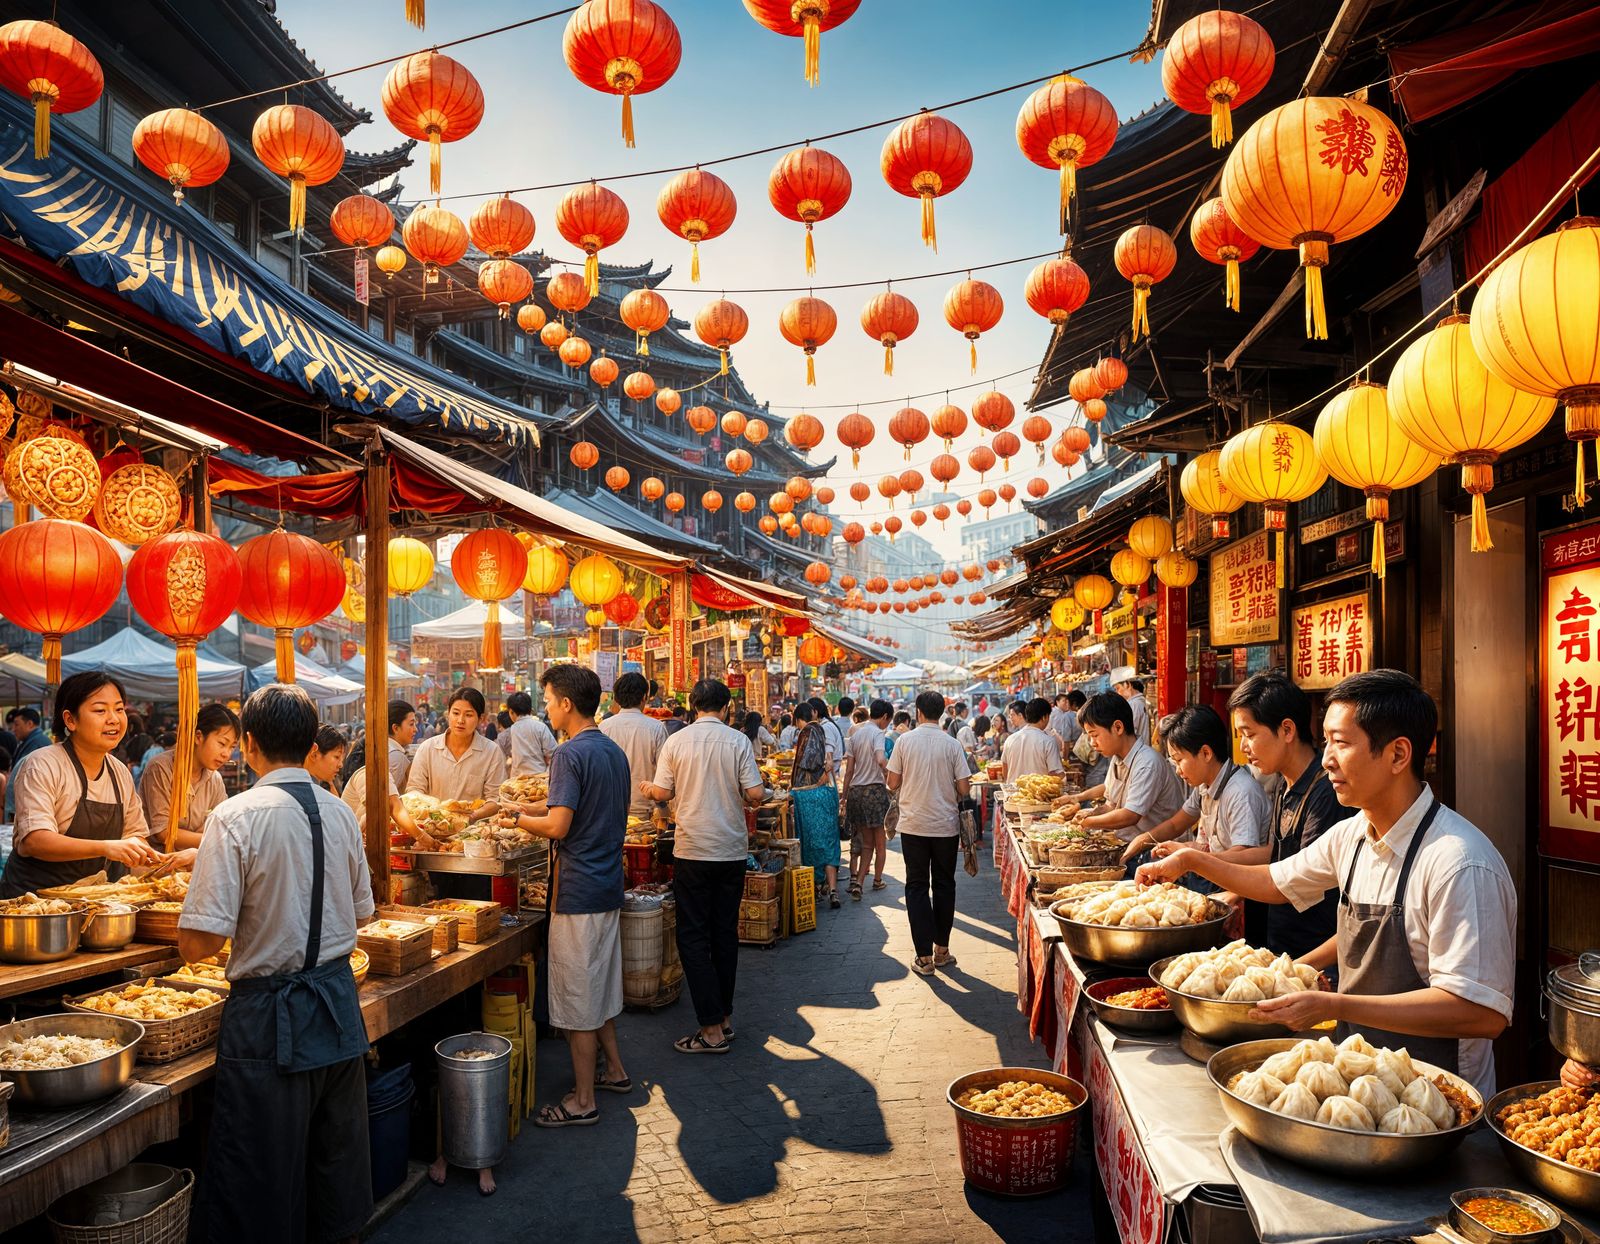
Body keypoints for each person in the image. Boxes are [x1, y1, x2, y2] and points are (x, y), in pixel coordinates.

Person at [1138, 670, 1515, 1095]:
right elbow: (1275, 882)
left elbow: (1480, 1013)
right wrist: (1191, 860)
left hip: (1439, 1097)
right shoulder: (1352, 834)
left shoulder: (1458, 863)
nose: (1327, 759)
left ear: (1398, 754)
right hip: (1362, 1081)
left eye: (1341, 743)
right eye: (1326, 741)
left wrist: (1333, 1005)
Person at [178, 683, 378, 1229]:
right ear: (312, 745)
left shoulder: (234, 816)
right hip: (337, 1003)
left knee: (260, 1177)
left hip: (267, 1016)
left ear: (248, 744)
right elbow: (363, 914)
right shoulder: (340, 813)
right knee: (335, 1166)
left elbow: (199, 943)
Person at [497, 665, 631, 1130]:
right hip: (607, 885)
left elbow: (558, 825)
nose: (547, 708)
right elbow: (567, 804)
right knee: (599, 987)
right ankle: (615, 1070)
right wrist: (521, 806)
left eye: (550, 700)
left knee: (577, 1000)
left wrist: (516, 821)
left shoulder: (568, 754)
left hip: (578, 892)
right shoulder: (611, 751)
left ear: (567, 704)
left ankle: (583, 1100)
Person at [642, 679, 766, 1054]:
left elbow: (663, 793)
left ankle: (710, 1030)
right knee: (724, 934)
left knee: (693, 937)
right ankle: (723, 1018)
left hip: (693, 850)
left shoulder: (676, 741)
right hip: (730, 851)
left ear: (694, 706)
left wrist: (649, 789)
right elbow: (756, 794)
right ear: (725, 708)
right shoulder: (738, 741)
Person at [2, 673, 165, 895]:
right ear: (70, 720)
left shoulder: (119, 772)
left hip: (98, 899)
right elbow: (35, 840)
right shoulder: (42, 764)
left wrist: (152, 857)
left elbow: (135, 835)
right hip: (36, 900)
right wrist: (107, 847)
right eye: (100, 710)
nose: (114, 719)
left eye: (119, 709)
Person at [1227, 671, 1343, 959]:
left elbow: (1293, 883)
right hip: (1283, 946)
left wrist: (1196, 861)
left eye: (1249, 734)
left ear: (1287, 730)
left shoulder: (1326, 792)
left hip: (1316, 956)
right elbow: (1276, 856)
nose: (1243, 747)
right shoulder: (1283, 781)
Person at [1119, 705, 1270, 891]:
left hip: (1230, 884)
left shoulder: (1241, 792)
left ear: (1206, 753)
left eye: (1179, 760)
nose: (1177, 770)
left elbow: (1244, 855)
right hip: (1209, 873)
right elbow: (1175, 825)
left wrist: (1189, 856)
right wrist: (1141, 841)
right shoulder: (1204, 785)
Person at [887, 692, 972, 977]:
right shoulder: (952, 744)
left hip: (913, 826)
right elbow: (964, 788)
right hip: (945, 826)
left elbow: (892, 782)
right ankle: (942, 951)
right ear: (941, 713)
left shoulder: (904, 741)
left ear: (918, 712)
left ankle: (924, 958)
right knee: (945, 885)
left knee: (917, 887)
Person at [1071, 692, 1186, 848]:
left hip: (1156, 851)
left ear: (1118, 727)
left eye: (1095, 735)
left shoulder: (1147, 763)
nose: (1092, 743)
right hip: (1127, 844)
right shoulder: (1117, 758)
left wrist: (1089, 822)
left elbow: (1130, 815)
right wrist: (1087, 814)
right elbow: (1111, 805)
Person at [139, 703, 240, 858]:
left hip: (195, 863)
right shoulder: (161, 768)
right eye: (222, 743)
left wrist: (214, 836)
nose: (226, 754)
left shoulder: (215, 779)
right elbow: (164, 832)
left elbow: (221, 825)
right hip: (157, 862)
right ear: (198, 737)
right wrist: (213, 838)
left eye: (232, 747)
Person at [405, 688, 508, 811]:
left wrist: (470, 817)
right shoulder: (427, 748)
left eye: (468, 715)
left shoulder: (492, 752)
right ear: (448, 713)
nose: (460, 720)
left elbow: (494, 799)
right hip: (432, 821)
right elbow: (414, 790)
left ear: (480, 719)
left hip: (475, 822)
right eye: (456, 713)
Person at [788, 703, 842, 909]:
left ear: (797, 719)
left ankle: (816, 887)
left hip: (811, 795)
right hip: (826, 793)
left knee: (810, 842)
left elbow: (809, 761)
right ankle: (833, 889)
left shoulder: (808, 731)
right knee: (829, 841)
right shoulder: (822, 729)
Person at [598, 672, 668, 823]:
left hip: (610, 807)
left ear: (616, 699)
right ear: (644, 697)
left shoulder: (604, 727)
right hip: (646, 808)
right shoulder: (656, 728)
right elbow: (665, 771)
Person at [842, 699, 892, 897]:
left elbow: (849, 770)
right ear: (885, 717)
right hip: (874, 793)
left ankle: (859, 883)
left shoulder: (855, 735)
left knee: (866, 844)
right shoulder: (877, 733)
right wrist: (891, 774)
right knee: (880, 844)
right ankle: (877, 880)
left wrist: (844, 796)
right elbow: (880, 759)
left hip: (856, 793)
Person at [1003, 698, 1065, 781]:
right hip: (1039, 789)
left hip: (1013, 788)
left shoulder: (1010, 739)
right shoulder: (1048, 741)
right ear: (1045, 717)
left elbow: (1005, 769)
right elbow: (1055, 775)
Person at [504, 690, 558, 778]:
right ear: (530, 709)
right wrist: (548, 773)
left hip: (517, 780)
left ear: (511, 712)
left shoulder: (511, 730)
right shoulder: (540, 727)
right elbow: (555, 754)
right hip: (540, 778)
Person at [5, 706, 47, 817]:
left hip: (31, 808)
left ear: (29, 724)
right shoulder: (30, 741)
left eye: (17, 724)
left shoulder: (38, 743)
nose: (13, 729)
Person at [304, 725, 348, 791]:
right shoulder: (310, 792)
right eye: (337, 757)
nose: (340, 765)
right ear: (314, 754)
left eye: (342, 759)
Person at [1113, 670, 1151, 744]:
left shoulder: (1133, 704)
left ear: (1128, 684)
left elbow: (1129, 733)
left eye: (1118, 688)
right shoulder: (1140, 701)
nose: (1117, 693)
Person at [387, 700, 417, 792]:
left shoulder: (386, 748)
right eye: (411, 724)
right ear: (395, 728)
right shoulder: (396, 756)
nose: (415, 729)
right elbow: (388, 795)